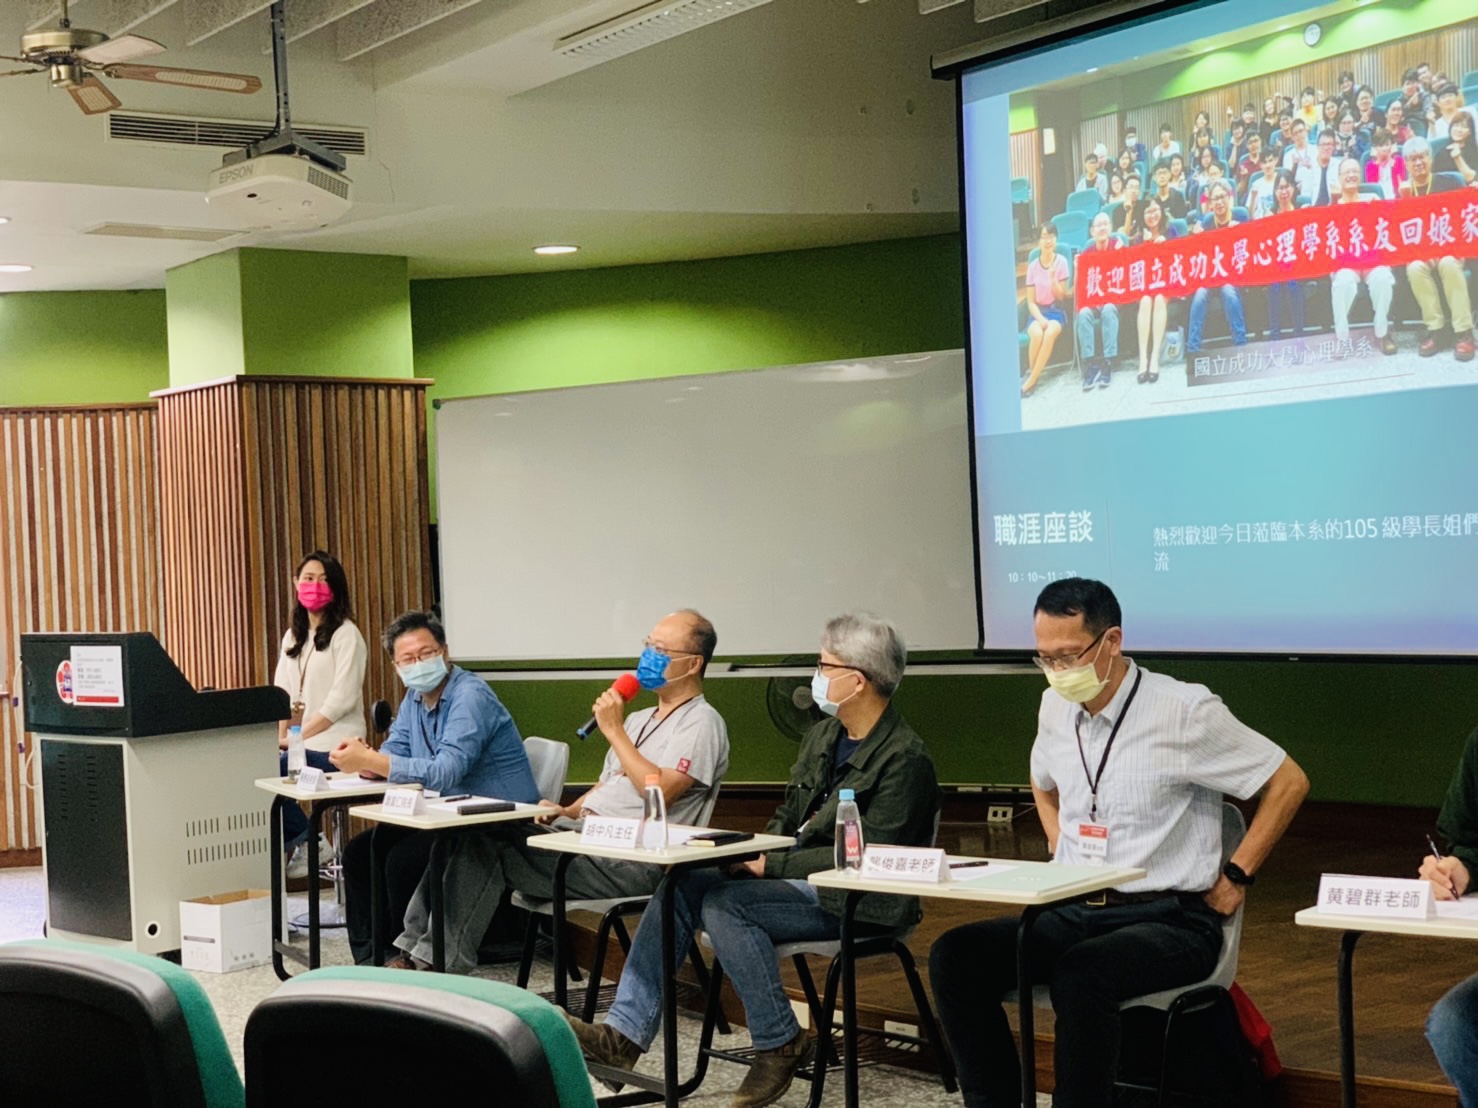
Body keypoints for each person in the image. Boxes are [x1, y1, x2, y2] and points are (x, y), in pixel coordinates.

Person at [928, 578, 1309, 1108]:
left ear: (1112, 641)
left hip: (1171, 918)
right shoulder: (1053, 707)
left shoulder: (1184, 710)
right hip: (1074, 908)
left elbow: (1288, 781)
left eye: (1068, 656)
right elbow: (1041, 779)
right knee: (956, 956)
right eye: (1045, 658)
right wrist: (1057, 835)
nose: (1057, 670)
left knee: (1084, 975)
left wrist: (1238, 875)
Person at [566, 613, 941, 1108]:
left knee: (728, 906)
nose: (816, 675)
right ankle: (623, 1036)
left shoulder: (905, 759)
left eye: (825, 666)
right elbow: (789, 816)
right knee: (683, 883)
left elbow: (864, 858)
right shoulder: (823, 737)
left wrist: (774, 866)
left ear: (857, 680)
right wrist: (749, 852)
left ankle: (779, 1040)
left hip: (859, 899)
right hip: (797, 879)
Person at [390, 610, 729, 973]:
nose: (648, 656)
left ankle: (434, 966)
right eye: (648, 645)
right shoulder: (639, 719)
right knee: (465, 834)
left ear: (693, 663)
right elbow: (607, 787)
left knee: (486, 846)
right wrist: (567, 811)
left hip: (634, 858)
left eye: (661, 650)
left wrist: (614, 731)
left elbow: (660, 791)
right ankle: (412, 951)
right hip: (586, 836)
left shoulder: (702, 722)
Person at [337, 610, 541, 966]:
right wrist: (365, 759)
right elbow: (395, 749)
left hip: (495, 822)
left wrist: (374, 761)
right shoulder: (414, 698)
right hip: (448, 815)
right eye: (408, 659)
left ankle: (409, 957)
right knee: (361, 851)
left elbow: (447, 771)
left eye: (427, 654)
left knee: (404, 859)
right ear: (396, 666)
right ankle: (374, 957)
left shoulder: (470, 696)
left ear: (445, 653)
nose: (419, 664)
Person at [270, 550, 368, 875]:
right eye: (309, 578)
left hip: (337, 748)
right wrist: (279, 739)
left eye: (324, 580)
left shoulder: (347, 634)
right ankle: (303, 840)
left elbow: (341, 700)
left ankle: (308, 840)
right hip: (299, 746)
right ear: (296, 583)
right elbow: (282, 694)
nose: (315, 585)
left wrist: (294, 740)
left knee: (275, 768)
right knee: (260, 765)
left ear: (336, 588)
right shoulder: (293, 636)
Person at [1400, 137, 1475, 363]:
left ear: (1430, 159)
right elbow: (1398, 230)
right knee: (1414, 268)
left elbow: (1466, 211)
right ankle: (1436, 329)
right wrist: (1403, 201)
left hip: (1449, 248)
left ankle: (1464, 331)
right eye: (1413, 159)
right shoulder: (1403, 191)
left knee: (1449, 263)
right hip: (1421, 253)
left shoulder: (1449, 183)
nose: (1418, 163)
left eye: (1422, 157)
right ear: (1406, 164)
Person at [1330, 157, 1397, 355]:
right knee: (1342, 284)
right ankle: (1341, 338)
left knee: (1383, 278)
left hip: (1372, 261)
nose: (1351, 175)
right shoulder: (1332, 206)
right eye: (1347, 172)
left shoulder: (1372, 199)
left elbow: (1390, 224)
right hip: (1346, 264)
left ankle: (1382, 332)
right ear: (1339, 177)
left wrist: (1380, 208)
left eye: (1355, 172)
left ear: (1360, 176)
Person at [1187, 180, 1247, 355]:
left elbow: (1249, 250)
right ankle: (1193, 349)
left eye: (1222, 197)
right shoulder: (1207, 223)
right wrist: (1195, 237)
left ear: (1229, 198)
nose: (1219, 202)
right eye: (1215, 199)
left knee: (1229, 292)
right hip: (1211, 277)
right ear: (1210, 203)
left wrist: (1240, 233)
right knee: (1199, 295)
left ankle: (1241, 344)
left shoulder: (1240, 218)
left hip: (1232, 276)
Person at [1021, 223, 1068, 399]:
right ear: (1038, 241)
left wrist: (1053, 279)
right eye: (1044, 237)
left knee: (1048, 333)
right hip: (1037, 312)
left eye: (1052, 236)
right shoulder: (1033, 266)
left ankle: (1031, 380)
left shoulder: (1062, 262)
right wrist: (1040, 318)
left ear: (1056, 239)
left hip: (1056, 311)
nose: (1048, 241)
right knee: (1036, 333)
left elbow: (1062, 297)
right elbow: (1030, 301)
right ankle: (1033, 377)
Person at [1076, 213, 1121, 391]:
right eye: (1098, 225)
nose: (1102, 228)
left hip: (1113, 299)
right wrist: (1078, 269)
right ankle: (1090, 363)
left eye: (1105, 224)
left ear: (1110, 227)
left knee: (1109, 309)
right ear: (1092, 231)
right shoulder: (1087, 254)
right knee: (1083, 313)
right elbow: (1081, 287)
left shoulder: (1118, 246)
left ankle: (1108, 361)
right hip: (1094, 301)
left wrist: (1121, 254)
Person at [1134, 195, 1173, 384]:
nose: (1152, 215)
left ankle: (1155, 356)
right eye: (1147, 212)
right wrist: (1145, 245)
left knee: (1158, 299)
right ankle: (1143, 358)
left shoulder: (1171, 231)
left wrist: (1167, 245)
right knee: (1145, 300)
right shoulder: (1138, 238)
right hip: (1145, 286)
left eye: (1155, 210)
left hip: (1166, 284)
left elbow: (1181, 257)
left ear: (1162, 212)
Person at [1264, 171, 1305, 341]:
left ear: (1293, 188)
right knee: (1273, 286)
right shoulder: (1269, 215)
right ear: (1275, 191)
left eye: (1287, 187)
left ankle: (1299, 332)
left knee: (1293, 285)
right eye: (1280, 188)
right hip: (1276, 266)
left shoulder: (1301, 211)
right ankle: (1274, 334)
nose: (1284, 192)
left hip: (1297, 265)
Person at [1433, 111, 1478, 185]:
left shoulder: (1474, 152)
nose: (1459, 130)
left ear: (1470, 132)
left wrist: (1457, 157)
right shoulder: (1441, 155)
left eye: (1464, 127)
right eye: (1456, 125)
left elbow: (1470, 178)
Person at [1363, 128, 1407, 199]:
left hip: (1396, 198)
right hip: (1378, 199)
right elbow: (1372, 187)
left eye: (1387, 145)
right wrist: (1377, 163)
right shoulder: (1370, 165)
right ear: (1375, 147)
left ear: (1392, 145)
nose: (1384, 149)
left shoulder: (1399, 161)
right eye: (1380, 146)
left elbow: (1401, 183)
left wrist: (1391, 161)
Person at [1306, 128, 1342, 205]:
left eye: (1329, 144)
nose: (1326, 148)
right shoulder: (1309, 166)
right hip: (1313, 208)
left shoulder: (1340, 166)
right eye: (1323, 144)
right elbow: (1305, 195)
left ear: (1334, 147)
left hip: (1334, 208)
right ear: (1317, 147)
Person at [1245, 148, 1280, 216]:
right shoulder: (1256, 184)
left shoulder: (1282, 181)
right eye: (1264, 162)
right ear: (1260, 165)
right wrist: (1253, 197)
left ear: (1276, 160)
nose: (1267, 165)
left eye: (1270, 161)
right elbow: (1250, 215)